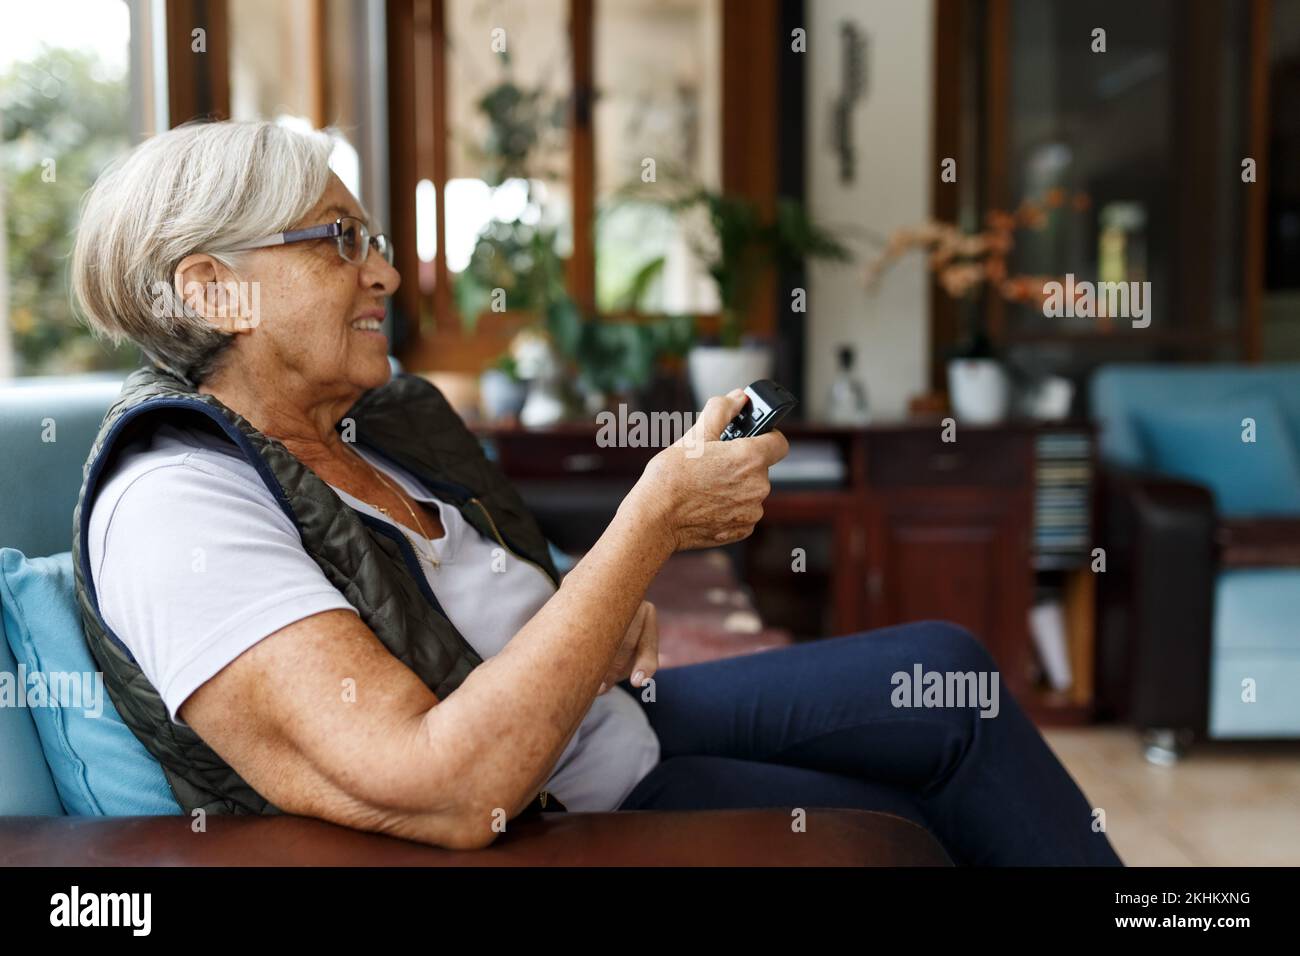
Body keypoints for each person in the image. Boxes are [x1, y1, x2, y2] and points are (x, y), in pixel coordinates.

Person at [70, 120, 1121, 865]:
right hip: (558, 794)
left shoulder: (361, 431)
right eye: (340, 240)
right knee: (911, 823)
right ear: (216, 288)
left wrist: (601, 604)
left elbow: (491, 593)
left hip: (601, 720)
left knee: (948, 672)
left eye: (374, 240)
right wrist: (650, 524)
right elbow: (435, 782)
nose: (384, 274)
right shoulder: (175, 508)